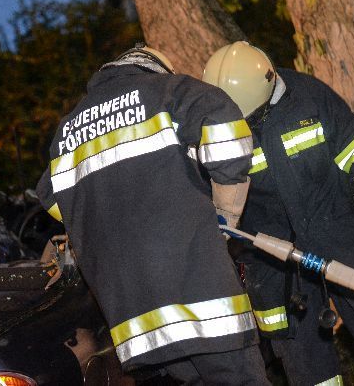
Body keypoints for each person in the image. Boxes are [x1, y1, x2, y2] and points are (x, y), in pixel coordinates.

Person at [202, 41, 354, 386]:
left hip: (339, 235)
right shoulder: (211, 127)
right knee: (305, 360)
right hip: (271, 261)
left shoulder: (310, 97)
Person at [36, 43, 271, 384]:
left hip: (138, 325)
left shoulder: (67, 131)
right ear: (156, 68)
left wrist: (102, 218)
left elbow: (49, 195)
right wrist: (225, 214)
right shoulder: (169, 91)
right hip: (206, 307)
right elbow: (224, 125)